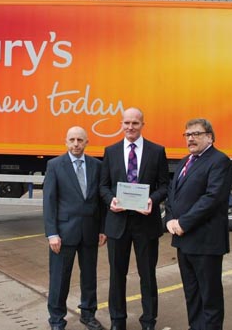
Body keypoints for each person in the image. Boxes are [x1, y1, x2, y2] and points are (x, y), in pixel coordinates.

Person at [100, 107, 170, 330]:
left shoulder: (156, 151)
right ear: (121, 124)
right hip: (117, 223)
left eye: (135, 123)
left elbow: (165, 185)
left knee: (148, 276)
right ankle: (117, 321)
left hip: (146, 224)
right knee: (116, 276)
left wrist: (153, 199)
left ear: (142, 124)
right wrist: (110, 200)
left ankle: (148, 321)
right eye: (127, 123)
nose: (130, 127)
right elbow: (103, 186)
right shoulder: (110, 151)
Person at [164, 118, 232, 330]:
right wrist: (169, 220)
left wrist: (183, 222)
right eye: (187, 135)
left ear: (210, 137)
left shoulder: (219, 161)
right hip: (184, 241)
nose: (190, 138)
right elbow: (172, 194)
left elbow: (212, 198)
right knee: (192, 294)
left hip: (206, 242)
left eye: (196, 134)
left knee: (209, 296)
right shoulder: (186, 161)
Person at [43, 126, 107, 330]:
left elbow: (101, 201)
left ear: (87, 142)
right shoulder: (55, 165)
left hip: (90, 231)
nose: (76, 144)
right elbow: (49, 201)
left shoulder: (96, 165)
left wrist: (102, 229)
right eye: (72, 140)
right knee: (59, 279)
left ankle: (88, 314)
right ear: (66, 142)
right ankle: (56, 319)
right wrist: (52, 233)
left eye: (80, 140)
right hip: (63, 233)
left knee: (89, 277)